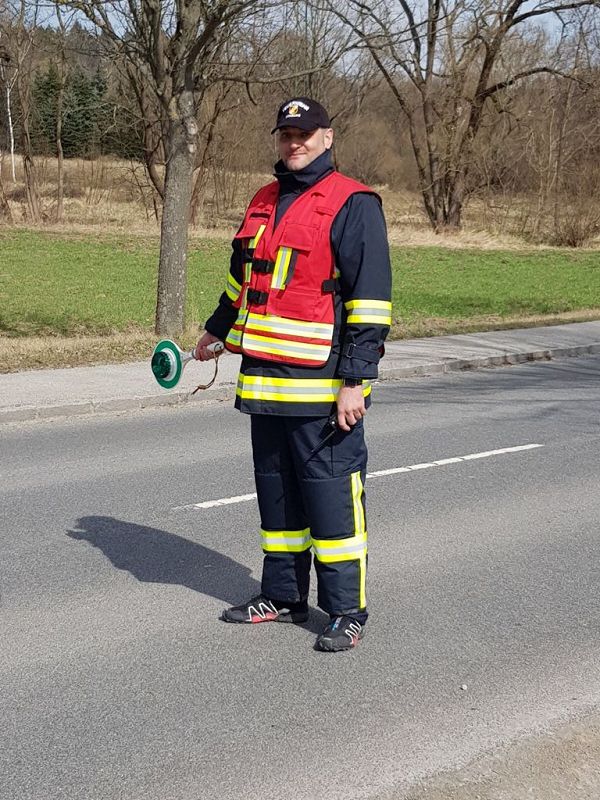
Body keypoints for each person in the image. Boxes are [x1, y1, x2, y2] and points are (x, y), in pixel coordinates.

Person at [195, 97, 392, 651]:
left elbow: (370, 303)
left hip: (325, 391)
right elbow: (243, 281)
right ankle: (283, 596)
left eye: (305, 134)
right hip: (264, 384)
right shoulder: (262, 200)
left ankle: (346, 612)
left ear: (326, 138)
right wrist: (216, 329)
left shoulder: (354, 203)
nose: (294, 142)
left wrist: (355, 381)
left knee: (332, 504)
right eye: (286, 134)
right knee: (278, 501)